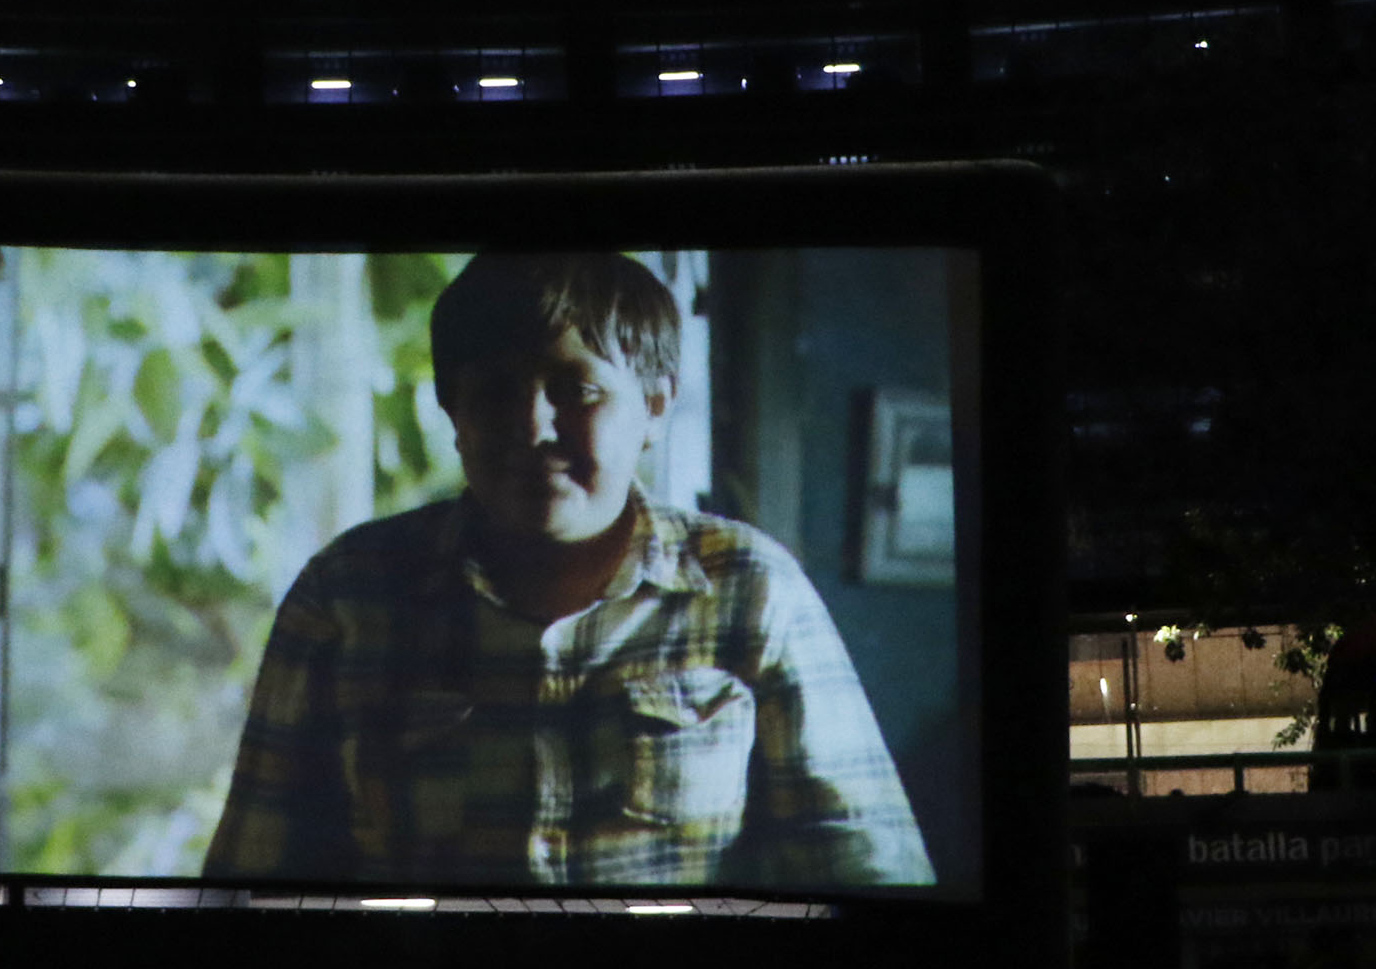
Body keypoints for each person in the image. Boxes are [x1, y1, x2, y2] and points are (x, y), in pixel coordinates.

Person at [204, 250, 931, 888]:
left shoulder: (750, 589)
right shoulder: (348, 594)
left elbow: (866, 872)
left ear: (654, 406)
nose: (531, 427)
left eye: (576, 390)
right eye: (493, 392)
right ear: (451, 409)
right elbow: (255, 877)